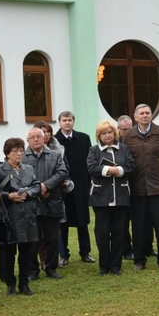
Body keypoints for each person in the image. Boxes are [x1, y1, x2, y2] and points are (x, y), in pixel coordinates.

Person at [123, 104, 159, 271]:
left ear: (151, 115)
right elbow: (126, 158)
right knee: (138, 225)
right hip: (137, 187)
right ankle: (139, 260)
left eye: (147, 113)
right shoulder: (129, 135)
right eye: (142, 113)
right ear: (135, 117)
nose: (145, 116)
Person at [0, 138, 40, 296]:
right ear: (7, 153)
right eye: (15, 151)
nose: (19, 153)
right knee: (8, 251)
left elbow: (37, 185)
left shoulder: (28, 168)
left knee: (26, 251)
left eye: (21, 150)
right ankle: (10, 283)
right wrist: (9, 196)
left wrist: (28, 194)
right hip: (9, 215)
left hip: (27, 214)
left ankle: (24, 282)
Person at [87, 121, 135, 275]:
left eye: (109, 132)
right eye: (104, 133)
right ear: (99, 136)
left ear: (115, 133)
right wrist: (109, 170)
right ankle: (103, 265)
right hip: (101, 197)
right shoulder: (93, 150)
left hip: (121, 196)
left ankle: (116, 266)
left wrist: (118, 170)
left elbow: (131, 166)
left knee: (119, 231)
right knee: (101, 232)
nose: (107, 135)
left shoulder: (124, 149)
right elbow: (91, 167)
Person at [23, 127, 68, 279]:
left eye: (38, 137)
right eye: (32, 137)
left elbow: (62, 172)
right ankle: (33, 270)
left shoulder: (55, 155)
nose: (36, 139)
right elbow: (20, 178)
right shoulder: (22, 157)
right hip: (31, 204)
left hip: (52, 201)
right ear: (28, 141)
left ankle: (51, 268)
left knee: (52, 238)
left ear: (44, 139)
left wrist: (46, 185)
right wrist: (37, 189)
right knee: (33, 239)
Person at [54, 111, 94, 265]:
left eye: (69, 120)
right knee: (62, 222)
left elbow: (89, 162)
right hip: (62, 186)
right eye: (64, 120)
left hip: (81, 186)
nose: (67, 123)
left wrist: (89, 184)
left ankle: (85, 252)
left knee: (82, 221)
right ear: (59, 122)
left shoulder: (83, 138)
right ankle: (64, 254)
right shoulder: (55, 141)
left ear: (73, 122)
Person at [116, 115, 135, 260]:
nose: (127, 132)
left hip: (137, 183)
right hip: (119, 186)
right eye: (124, 130)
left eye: (129, 129)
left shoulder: (136, 140)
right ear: (118, 129)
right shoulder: (114, 144)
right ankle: (125, 248)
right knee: (122, 220)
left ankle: (144, 246)